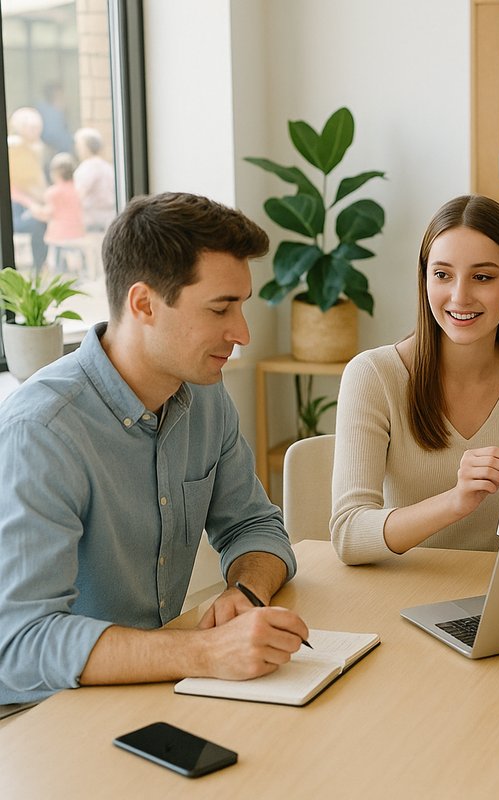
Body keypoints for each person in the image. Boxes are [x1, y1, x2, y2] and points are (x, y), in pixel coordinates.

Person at [0, 192, 310, 706]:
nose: (243, 333)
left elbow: (254, 526)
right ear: (143, 303)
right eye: (220, 308)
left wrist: (246, 592)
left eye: (242, 304)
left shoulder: (207, 397)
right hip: (45, 715)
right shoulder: (42, 431)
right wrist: (205, 652)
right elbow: (22, 642)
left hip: (151, 687)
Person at [331, 194, 499, 564]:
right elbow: (349, 535)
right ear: (425, 278)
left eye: (482, 277)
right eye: (442, 274)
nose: (460, 296)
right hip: (400, 590)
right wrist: (456, 501)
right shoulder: (374, 375)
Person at [7, 107, 49, 271]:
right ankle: (38, 267)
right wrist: (32, 205)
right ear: (20, 128)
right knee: (38, 223)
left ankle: (40, 266)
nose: (36, 132)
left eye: (38, 128)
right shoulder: (14, 147)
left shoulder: (36, 148)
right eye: (32, 128)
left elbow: (38, 179)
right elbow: (13, 186)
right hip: (17, 206)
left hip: (32, 202)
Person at [31, 152, 85, 253]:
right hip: (78, 234)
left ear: (56, 172)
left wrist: (34, 209)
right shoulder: (78, 190)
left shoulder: (53, 192)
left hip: (58, 236)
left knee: (57, 263)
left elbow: (47, 214)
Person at [73, 127, 117, 232]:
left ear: (85, 147)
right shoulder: (107, 166)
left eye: (78, 145)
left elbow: (79, 195)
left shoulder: (88, 167)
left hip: (93, 221)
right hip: (109, 217)